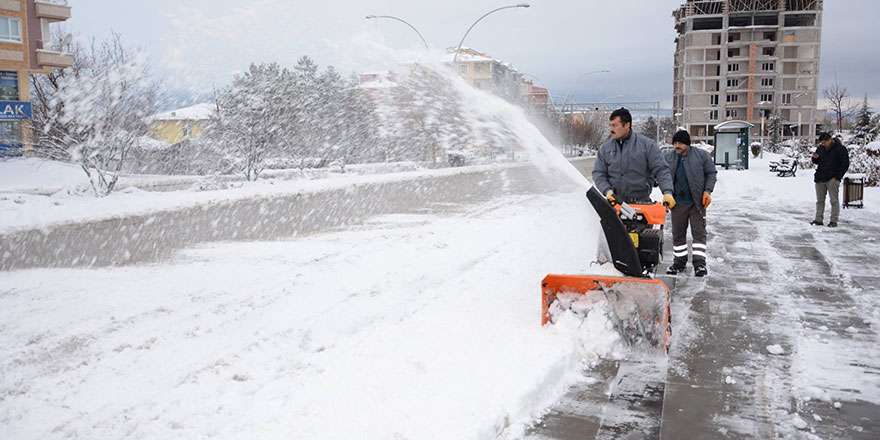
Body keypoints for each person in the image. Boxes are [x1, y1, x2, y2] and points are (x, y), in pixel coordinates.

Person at [592, 108, 675, 207]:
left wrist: (667, 193)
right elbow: (599, 173)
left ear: (627, 125)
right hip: (615, 205)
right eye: (610, 125)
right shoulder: (605, 148)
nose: (611, 129)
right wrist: (607, 191)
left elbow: (661, 169)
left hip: (642, 204)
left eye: (614, 125)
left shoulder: (647, 146)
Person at [664, 130, 717, 277]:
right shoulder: (669, 158)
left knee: (699, 234)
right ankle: (679, 263)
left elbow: (711, 173)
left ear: (687, 143)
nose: (677, 146)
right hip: (677, 204)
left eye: (680, 143)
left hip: (697, 203)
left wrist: (707, 191)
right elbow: (662, 175)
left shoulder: (701, 156)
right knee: (678, 235)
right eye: (675, 143)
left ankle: (699, 264)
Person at [810, 133, 849, 228]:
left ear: (830, 140)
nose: (823, 144)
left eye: (824, 142)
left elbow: (845, 164)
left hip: (832, 178)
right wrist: (815, 158)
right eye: (822, 143)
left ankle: (833, 220)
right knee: (820, 200)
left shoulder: (840, 149)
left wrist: (837, 177)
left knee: (834, 200)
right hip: (820, 177)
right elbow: (816, 161)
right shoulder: (821, 148)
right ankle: (818, 219)